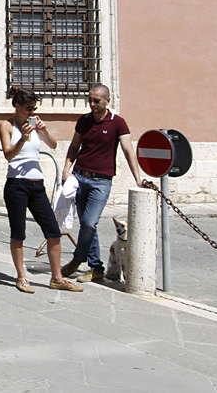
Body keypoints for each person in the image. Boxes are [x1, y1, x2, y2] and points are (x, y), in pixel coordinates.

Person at [0, 87, 83, 294]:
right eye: (28, 108)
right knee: (18, 232)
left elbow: (53, 145)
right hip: (16, 185)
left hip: (37, 186)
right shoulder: (6, 125)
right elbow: (8, 155)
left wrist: (43, 131)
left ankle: (57, 278)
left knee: (53, 231)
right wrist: (22, 139)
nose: (32, 112)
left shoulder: (34, 125)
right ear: (17, 106)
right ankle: (21, 277)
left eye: (34, 108)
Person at [61, 84, 144, 283]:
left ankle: (78, 258)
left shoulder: (118, 123)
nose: (92, 104)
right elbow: (74, 146)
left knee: (90, 222)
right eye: (90, 100)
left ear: (107, 101)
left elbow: (127, 150)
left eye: (96, 101)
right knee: (87, 225)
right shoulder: (84, 121)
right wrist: (66, 169)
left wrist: (138, 178)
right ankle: (96, 268)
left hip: (102, 180)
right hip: (80, 177)